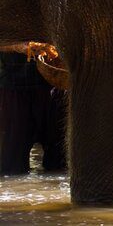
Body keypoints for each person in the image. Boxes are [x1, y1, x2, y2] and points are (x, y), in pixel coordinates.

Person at [0, 45, 68, 174]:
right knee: (12, 165)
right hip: (15, 89)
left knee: (59, 162)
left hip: (51, 85)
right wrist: (20, 48)